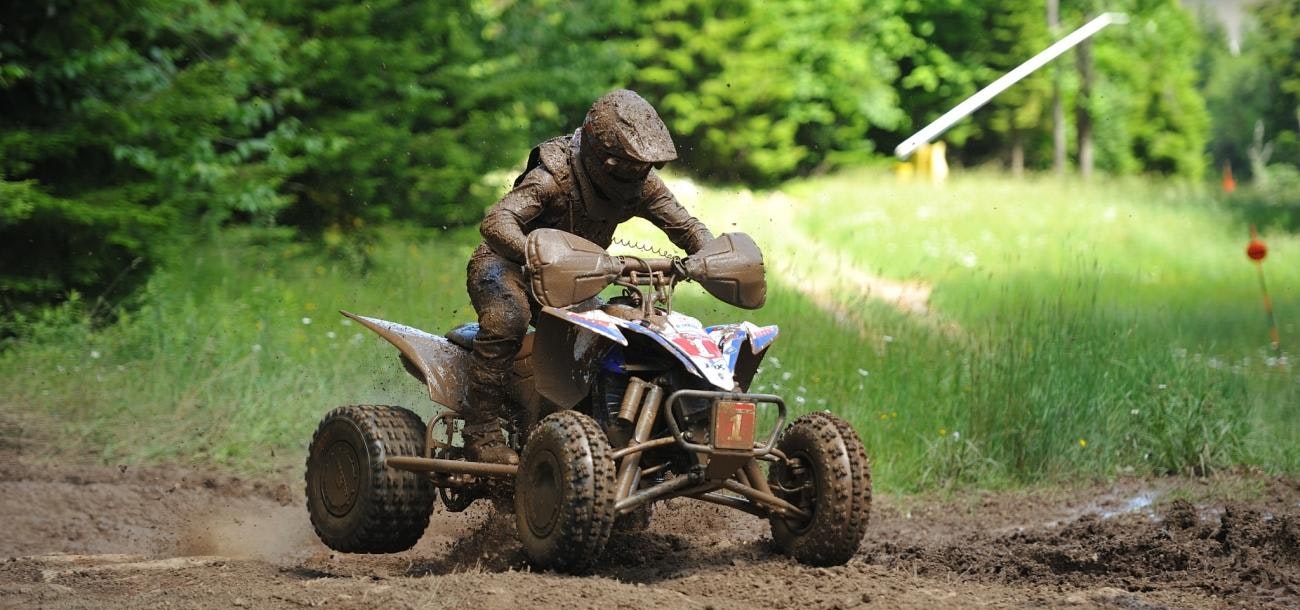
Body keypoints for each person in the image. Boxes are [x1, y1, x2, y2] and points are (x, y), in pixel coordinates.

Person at [463, 89, 715, 465]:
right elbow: (497, 221)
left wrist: (709, 258)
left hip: (575, 278)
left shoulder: (642, 184)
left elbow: (686, 226)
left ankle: (601, 433)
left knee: (619, 336)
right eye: (629, 166)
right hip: (508, 267)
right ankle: (480, 430)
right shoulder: (553, 177)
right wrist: (536, 255)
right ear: (603, 157)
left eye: (642, 166)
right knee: (507, 318)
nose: (638, 174)